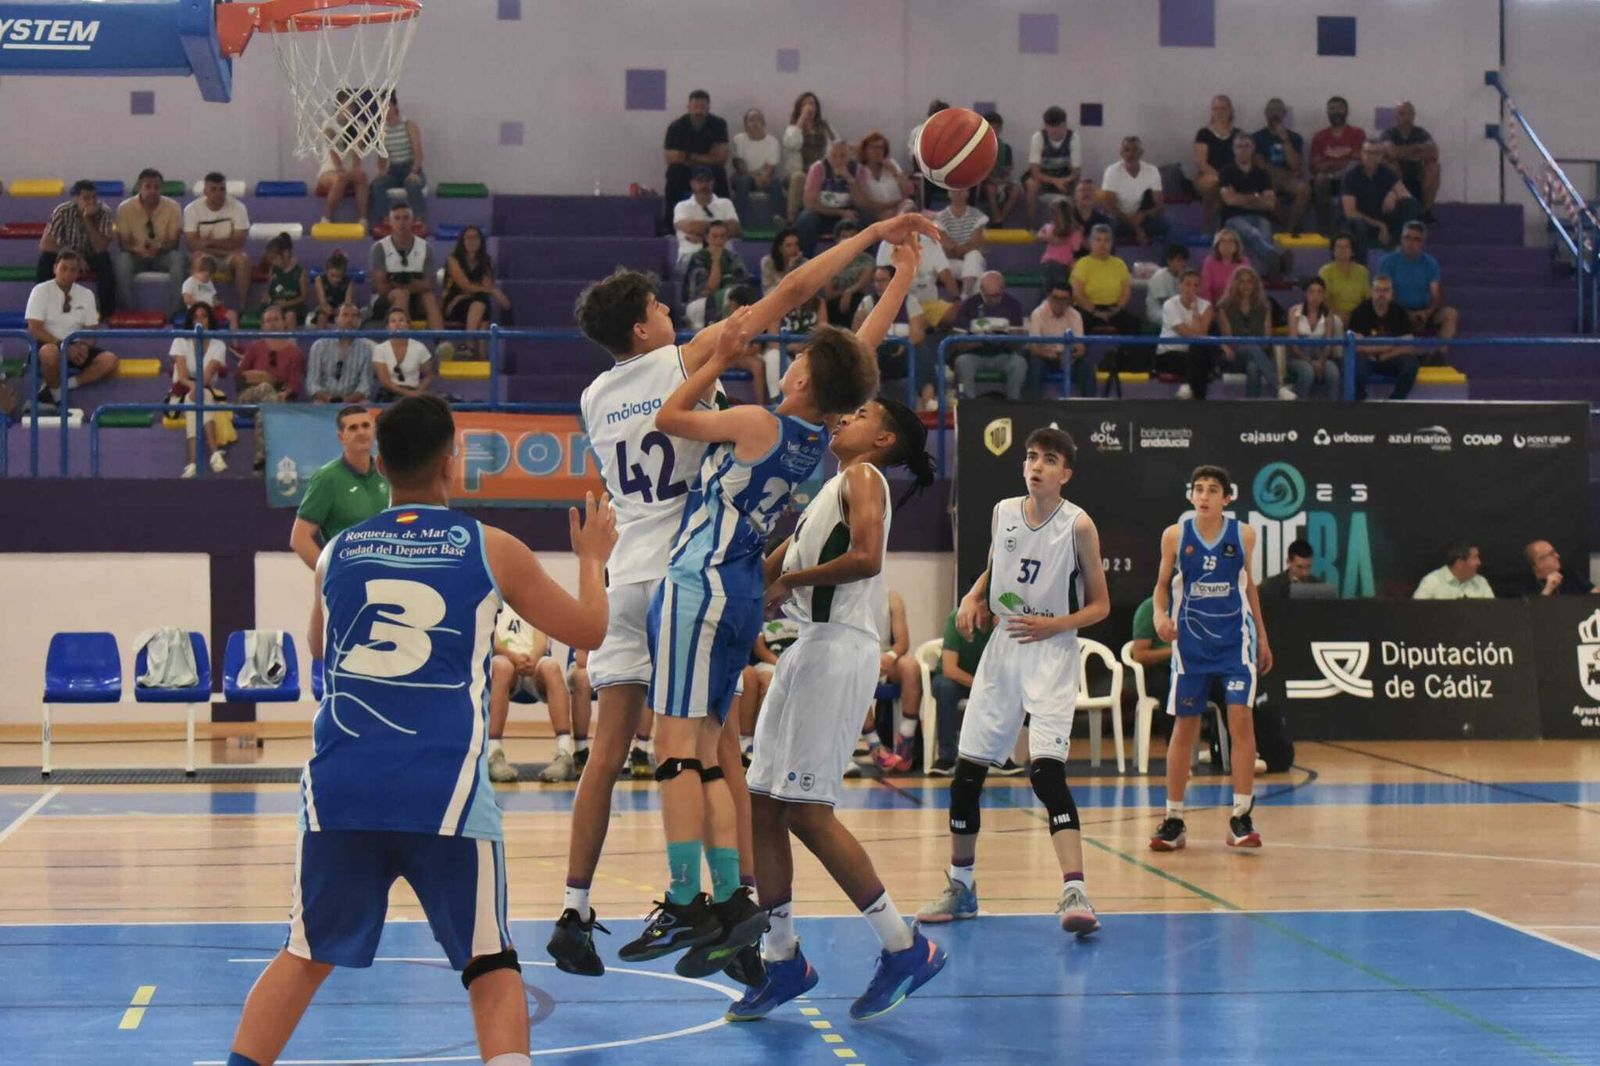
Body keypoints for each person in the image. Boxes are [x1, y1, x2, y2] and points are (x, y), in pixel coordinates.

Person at [545, 211, 939, 980]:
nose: (671, 311)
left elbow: (836, 369)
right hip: (696, 574)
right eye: (658, 307)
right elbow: (801, 303)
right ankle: (729, 911)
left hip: (634, 571)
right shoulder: (698, 370)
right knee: (716, 748)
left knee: (614, 752)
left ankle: (577, 907)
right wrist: (876, 247)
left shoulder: (593, 396)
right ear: (643, 327)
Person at [221, 395, 617, 1066]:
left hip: (342, 785)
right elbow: (590, 630)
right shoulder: (491, 546)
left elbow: (319, 647)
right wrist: (592, 557)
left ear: (379, 465)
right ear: (450, 463)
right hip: (444, 791)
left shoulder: (337, 550)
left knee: (304, 955)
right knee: (489, 963)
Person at [620, 277, 887, 975]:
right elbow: (856, 356)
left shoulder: (757, 424)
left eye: (799, 358)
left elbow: (669, 417)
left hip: (701, 580)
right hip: (741, 590)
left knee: (673, 745)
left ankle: (686, 900)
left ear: (802, 379)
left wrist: (719, 357)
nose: (790, 360)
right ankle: (734, 902)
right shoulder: (812, 438)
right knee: (710, 750)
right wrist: (899, 276)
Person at [730, 394, 944, 1021]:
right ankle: (781, 957)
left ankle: (905, 947)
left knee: (806, 812)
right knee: (763, 806)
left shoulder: (864, 478)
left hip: (840, 648)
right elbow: (765, 571)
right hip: (805, 650)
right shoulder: (824, 495)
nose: (846, 417)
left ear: (883, 441)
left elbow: (866, 557)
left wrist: (788, 583)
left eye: (863, 415)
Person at [916, 426, 1109, 934]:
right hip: (1003, 650)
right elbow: (995, 567)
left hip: (1051, 653)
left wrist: (1055, 624)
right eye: (1031, 456)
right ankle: (962, 887)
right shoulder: (1003, 511)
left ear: (1066, 473)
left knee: (1045, 774)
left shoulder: (1078, 526)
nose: (1036, 465)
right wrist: (973, 596)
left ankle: (1075, 892)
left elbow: (1100, 606)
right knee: (966, 776)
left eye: (1049, 459)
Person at [1150, 464, 1274, 852]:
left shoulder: (1244, 535)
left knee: (1240, 719)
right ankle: (1173, 819)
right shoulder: (1174, 535)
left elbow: (1248, 587)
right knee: (1185, 726)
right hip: (1191, 646)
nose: (1204, 496)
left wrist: (1262, 636)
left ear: (1226, 498)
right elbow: (1160, 587)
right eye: (1199, 489)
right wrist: (1159, 616)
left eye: (1212, 490)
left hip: (1235, 642)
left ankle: (1241, 816)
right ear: (1191, 496)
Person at [488, 605, 583, 784]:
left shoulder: (531, 600)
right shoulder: (493, 600)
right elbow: (493, 641)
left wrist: (532, 659)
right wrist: (514, 658)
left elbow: (541, 640)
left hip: (533, 664)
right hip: (506, 664)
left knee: (551, 666)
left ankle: (564, 754)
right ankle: (493, 754)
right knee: (501, 666)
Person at [289, 405, 387, 569]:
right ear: (341, 437)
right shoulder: (327, 478)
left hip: (389, 576)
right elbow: (299, 539)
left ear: (374, 431)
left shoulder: (387, 470)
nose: (361, 432)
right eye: (353, 428)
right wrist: (329, 575)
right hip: (351, 576)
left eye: (366, 426)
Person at [25, 250, 118, 411]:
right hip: (48, 344)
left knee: (110, 360)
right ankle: (57, 397)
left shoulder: (86, 294)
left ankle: (64, 386)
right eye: (64, 268)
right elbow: (34, 329)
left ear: (78, 272)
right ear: (55, 268)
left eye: (73, 269)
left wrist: (84, 346)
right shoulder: (40, 291)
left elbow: (91, 329)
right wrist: (64, 346)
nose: (68, 274)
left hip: (76, 345)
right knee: (49, 352)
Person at [853, 260, 932, 408]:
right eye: (876, 281)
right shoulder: (868, 301)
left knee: (922, 351)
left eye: (883, 280)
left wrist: (903, 346)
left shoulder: (910, 301)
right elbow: (857, 332)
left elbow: (917, 333)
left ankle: (925, 399)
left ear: (893, 281)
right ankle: (864, 402)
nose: (878, 285)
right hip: (876, 350)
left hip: (903, 350)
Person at [1069, 225, 1139, 389]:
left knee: (1135, 326)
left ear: (1111, 243)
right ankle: (1079, 368)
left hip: (1114, 308)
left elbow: (1126, 291)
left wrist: (1118, 308)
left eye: (1106, 240)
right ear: (1090, 242)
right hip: (1088, 309)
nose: (1102, 244)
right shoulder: (1083, 264)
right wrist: (1095, 311)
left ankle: (1130, 368)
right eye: (1098, 240)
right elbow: (1077, 293)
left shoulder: (1119, 264)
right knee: (1079, 324)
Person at [168, 301, 232, 478]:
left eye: (204, 316)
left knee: (199, 397)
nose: (200, 320)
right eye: (196, 317)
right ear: (191, 320)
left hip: (204, 390)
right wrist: (193, 387)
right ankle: (215, 453)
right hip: (180, 394)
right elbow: (182, 377)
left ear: (210, 320)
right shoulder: (180, 341)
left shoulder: (218, 345)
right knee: (197, 397)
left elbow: (207, 376)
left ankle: (192, 463)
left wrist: (196, 389)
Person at [928, 604, 993, 775]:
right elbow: (950, 669)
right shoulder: (958, 618)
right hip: (956, 680)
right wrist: (980, 685)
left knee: (1005, 688)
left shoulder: (1002, 623)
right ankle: (947, 757)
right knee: (945, 688)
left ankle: (997, 756)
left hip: (985, 680)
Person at [38, 179, 118, 318]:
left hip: (92, 255)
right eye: (86, 198)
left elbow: (101, 247)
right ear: (76, 199)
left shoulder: (104, 212)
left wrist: (88, 219)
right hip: (67, 253)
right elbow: (46, 244)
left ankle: (107, 314)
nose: (91, 202)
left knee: (104, 261)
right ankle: (41, 309)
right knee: (46, 258)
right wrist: (75, 257)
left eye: (94, 197)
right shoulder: (62, 211)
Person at [238, 305, 305, 471]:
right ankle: (277, 454)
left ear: (284, 323)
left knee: (264, 413)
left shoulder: (295, 352)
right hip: (249, 397)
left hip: (278, 401)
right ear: (263, 325)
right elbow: (240, 376)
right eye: (268, 320)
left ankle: (261, 461)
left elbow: (294, 384)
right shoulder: (254, 347)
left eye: (276, 319)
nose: (273, 323)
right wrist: (266, 379)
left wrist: (285, 393)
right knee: (266, 388)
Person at [1217, 266, 1300, 400]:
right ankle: (1280, 388)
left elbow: (1266, 340)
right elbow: (1230, 342)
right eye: (1242, 281)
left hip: (1259, 353)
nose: (1246, 285)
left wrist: (1254, 347)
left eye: (1249, 282)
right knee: (1252, 348)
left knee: (1253, 366)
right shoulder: (1224, 307)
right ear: (1235, 284)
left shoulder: (1264, 306)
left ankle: (1252, 407)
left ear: (1255, 284)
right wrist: (1250, 345)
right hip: (1234, 356)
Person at [874, 202, 960, 328]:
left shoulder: (932, 244)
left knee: (954, 314)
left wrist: (956, 299)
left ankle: (921, 326)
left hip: (927, 304)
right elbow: (881, 276)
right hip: (899, 305)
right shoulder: (886, 244)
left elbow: (945, 275)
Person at [1378, 222, 1457, 356]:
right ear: (1401, 239)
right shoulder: (1388, 262)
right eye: (1407, 238)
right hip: (1397, 310)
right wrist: (1407, 313)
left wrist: (1427, 313)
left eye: (1416, 239)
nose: (1411, 242)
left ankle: (1440, 356)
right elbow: (1386, 292)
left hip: (1424, 312)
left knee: (1450, 314)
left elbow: (1436, 295)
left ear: (1422, 243)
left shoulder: (1430, 263)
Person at [870, 589, 926, 774]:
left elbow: (902, 642)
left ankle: (906, 739)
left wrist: (888, 657)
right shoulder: (845, 594)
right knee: (852, 671)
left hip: (885, 658)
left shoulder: (892, 598)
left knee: (911, 666)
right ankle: (874, 743)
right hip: (857, 656)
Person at [114, 167, 183, 313]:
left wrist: (159, 247)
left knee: (177, 259)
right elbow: (123, 243)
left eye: (156, 187)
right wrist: (136, 249)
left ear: (162, 188)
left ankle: (175, 311)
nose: (152, 191)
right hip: (136, 256)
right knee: (122, 261)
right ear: (139, 187)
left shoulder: (173, 207)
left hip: (162, 256)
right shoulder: (125, 208)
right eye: (148, 187)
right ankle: (128, 311)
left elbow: (174, 242)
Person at [1219, 133, 1288, 278]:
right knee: (1253, 233)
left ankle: (1273, 268)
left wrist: (1240, 198)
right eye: (1239, 146)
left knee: (1263, 234)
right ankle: (1276, 257)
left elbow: (1270, 204)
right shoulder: (1226, 171)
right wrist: (1256, 197)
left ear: (1253, 148)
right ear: (1233, 150)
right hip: (1233, 218)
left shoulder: (1262, 174)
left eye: (1247, 146)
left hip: (1260, 216)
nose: (1243, 150)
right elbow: (1229, 201)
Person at [951, 271, 1027, 400]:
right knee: (962, 362)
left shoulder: (1013, 305)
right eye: (988, 296)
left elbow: (1017, 340)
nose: (993, 299)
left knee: (1019, 363)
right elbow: (958, 342)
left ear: (1003, 289)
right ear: (981, 290)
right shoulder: (968, 305)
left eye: (996, 295)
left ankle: (1013, 404)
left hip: (1004, 355)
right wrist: (981, 341)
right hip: (975, 355)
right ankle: (970, 405)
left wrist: (1002, 340)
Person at [369, 204, 444, 335]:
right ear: (390, 222)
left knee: (429, 297)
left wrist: (403, 283)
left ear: (412, 221)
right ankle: (402, 338)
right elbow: (381, 288)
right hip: (386, 300)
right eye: (397, 218)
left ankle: (441, 340)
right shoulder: (380, 248)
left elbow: (429, 284)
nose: (402, 223)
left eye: (405, 218)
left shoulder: (425, 248)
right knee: (401, 294)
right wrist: (409, 285)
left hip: (417, 298)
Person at [1340, 141, 1421, 260]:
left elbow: (1407, 197)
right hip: (1363, 223)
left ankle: (1398, 247)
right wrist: (1380, 225)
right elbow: (1350, 212)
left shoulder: (1387, 172)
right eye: (1368, 152)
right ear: (1361, 154)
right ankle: (1361, 264)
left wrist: (1394, 194)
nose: (1371, 157)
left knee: (1410, 204)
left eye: (1375, 153)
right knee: (1357, 223)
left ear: (1381, 156)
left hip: (1383, 217)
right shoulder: (1351, 175)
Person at [184, 172, 252, 310]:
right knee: (199, 260)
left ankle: (243, 308)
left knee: (242, 260)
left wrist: (209, 242)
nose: (219, 193)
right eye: (213, 189)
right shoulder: (192, 210)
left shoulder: (238, 207)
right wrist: (223, 244)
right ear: (205, 191)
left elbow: (239, 243)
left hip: (229, 256)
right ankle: (199, 308)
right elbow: (192, 245)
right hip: (207, 254)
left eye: (222, 189)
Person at [664, 89, 731, 226]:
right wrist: (707, 156)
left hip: (709, 170)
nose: (699, 111)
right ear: (688, 107)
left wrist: (689, 156)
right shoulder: (677, 126)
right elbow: (670, 158)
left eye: (703, 107)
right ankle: (669, 225)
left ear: (708, 108)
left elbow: (721, 159)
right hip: (685, 171)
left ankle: (726, 223)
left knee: (719, 172)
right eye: (695, 107)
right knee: (674, 172)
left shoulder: (719, 124)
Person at [1348, 276, 1418, 401]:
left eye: (1386, 290)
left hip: (1391, 357)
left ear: (1392, 293)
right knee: (1355, 366)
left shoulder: (1400, 312)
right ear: (1371, 291)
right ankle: (1360, 403)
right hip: (1367, 357)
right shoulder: (1359, 312)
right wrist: (1393, 344)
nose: (1381, 294)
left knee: (1411, 364)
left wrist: (1382, 355)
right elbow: (1354, 346)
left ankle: (1395, 402)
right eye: (1378, 290)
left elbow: (1410, 346)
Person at [443, 225, 511, 352]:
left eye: (475, 238)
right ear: (462, 241)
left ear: (481, 241)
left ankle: (471, 347)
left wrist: (465, 295)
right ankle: (479, 351)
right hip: (453, 305)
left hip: (473, 303)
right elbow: (465, 285)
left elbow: (484, 288)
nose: (472, 241)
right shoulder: (453, 259)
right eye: (468, 238)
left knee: (482, 302)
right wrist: (494, 292)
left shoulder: (486, 261)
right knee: (483, 304)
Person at [368, 92, 428, 228]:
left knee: (411, 185)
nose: (385, 110)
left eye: (387, 106)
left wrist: (414, 171)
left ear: (395, 106)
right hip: (394, 169)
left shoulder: (409, 125)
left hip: (411, 167)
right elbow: (382, 155)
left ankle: (418, 219)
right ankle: (385, 219)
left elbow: (418, 152)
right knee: (377, 185)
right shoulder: (381, 130)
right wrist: (381, 171)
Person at [1310, 96, 1366, 236]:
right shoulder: (1319, 136)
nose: (1335, 112)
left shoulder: (1357, 133)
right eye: (1332, 109)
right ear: (1327, 112)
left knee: (1354, 168)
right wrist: (1343, 161)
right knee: (1320, 179)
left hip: (1351, 178)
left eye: (1339, 108)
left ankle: (1352, 230)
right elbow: (1315, 166)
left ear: (1346, 111)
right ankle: (1324, 231)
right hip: (1329, 180)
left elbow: (1358, 160)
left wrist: (1330, 163)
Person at [1252, 98, 1310, 235]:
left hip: (1288, 180)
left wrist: (1285, 139)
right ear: (1265, 113)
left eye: (1278, 110)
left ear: (1284, 113)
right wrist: (1285, 174)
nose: (1274, 113)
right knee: (1267, 190)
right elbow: (1260, 165)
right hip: (1267, 179)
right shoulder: (1257, 137)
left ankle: (1287, 231)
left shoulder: (1295, 138)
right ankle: (1289, 228)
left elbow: (1295, 166)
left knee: (1304, 189)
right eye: (1271, 110)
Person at [1098, 135, 1169, 245]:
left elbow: (1159, 204)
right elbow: (1108, 205)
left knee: (1166, 226)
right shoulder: (1111, 171)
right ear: (1121, 153)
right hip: (1120, 218)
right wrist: (1136, 227)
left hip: (1144, 217)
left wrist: (1143, 215)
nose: (1131, 154)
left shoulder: (1152, 171)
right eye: (1127, 150)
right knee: (1107, 230)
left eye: (1135, 150)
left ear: (1141, 152)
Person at [795, 139, 861, 256]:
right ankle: (805, 259)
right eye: (834, 156)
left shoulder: (857, 169)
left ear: (849, 156)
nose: (838, 160)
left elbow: (861, 202)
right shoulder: (818, 168)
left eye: (842, 156)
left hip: (846, 213)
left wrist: (849, 179)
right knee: (806, 219)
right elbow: (809, 203)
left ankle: (854, 260)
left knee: (860, 220)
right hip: (821, 213)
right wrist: (839, 212)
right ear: (828, 155)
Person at [682, 220, 751, 329]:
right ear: (707, 238)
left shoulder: (734, 258)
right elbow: (710, 289)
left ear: (727, 238)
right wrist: (716, 261)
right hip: (700, 303)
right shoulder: (698, 258)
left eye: (722, 236)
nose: (718, 240)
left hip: (732, 301)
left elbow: (741, 288)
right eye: (714, 236)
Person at [782, 92, 839, 222]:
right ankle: (791, 220)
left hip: (821, 171)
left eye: (812, 103)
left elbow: (836, 144)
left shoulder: (825, 126)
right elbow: (792, 144)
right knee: (798, 177)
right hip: (799, 172)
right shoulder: (793, 128)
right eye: (805, 104)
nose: (809, 107)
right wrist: (802, 118)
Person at [318, 88, 372, 226]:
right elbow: (333, 152)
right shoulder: (328, 124)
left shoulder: (359, 126)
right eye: (347, 106)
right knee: (340, 178)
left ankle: (363, 218)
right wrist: (340, 170)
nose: (350, 110)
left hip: (348, 172)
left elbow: (357, 154)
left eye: (352, 107)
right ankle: (326, 217)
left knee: (362, 177)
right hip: (330, 171)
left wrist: (356, 170)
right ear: (339, 106)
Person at [1027, 280, 1089, 398]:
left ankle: (1091, 405)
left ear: (1070, 301)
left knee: (1086, 366)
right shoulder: (1038, 314)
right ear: (1049, 297)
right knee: (1036, 364)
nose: (1059, 302)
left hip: (1068, 356)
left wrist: (1069, 356)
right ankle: (1033, 405)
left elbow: (1080, 348)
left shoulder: (1075, 316)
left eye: (1063, 299)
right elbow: (1033, 347)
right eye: (1055, 298)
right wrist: (1053, 355)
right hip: (1045, 356)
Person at [1161, 269, 1216, 401]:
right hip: (1170, 353)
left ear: (1200, 288)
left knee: (1198, 352)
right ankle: (1196, 397)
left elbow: (1202, 334)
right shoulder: (1169, 305)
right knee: (1199, 361)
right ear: (1180, 285)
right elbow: (1184, 332)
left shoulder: (1206, 306)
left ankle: (1188, 390)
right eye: (1187, 284)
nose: (1191, 288)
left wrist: (1195, 310)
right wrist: (1200, 334)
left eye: (1196, 285)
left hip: (1195, 352)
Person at [305, 302, 376, 403]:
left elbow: (365, 385)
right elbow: (312, 383)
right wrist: (328, 399)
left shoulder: (366, 348)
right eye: (345, 315)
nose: (350, 319)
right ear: (336, 319)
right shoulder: (319, 346)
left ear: (359, 321)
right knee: (317, 403)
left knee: (365, 403)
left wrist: (346, 400)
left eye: (354, 316)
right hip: (324, 399)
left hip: (353, 400)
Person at [673, 166, 743, 267]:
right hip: (690, 257)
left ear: (712, 183)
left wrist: (702, 238)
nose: (704, 185)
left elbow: (736, 228)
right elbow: (689, 227)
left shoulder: (726, 204)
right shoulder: (682, 206)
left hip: (723, 256)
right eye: (700, 181)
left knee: (738, 266)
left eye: (707, 181)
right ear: (692, 184)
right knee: (700, 263)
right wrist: (722, 232)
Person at [1381, 102, 1441, 220]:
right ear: (1395, 116)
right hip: (1398, 173)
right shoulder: (1388, 134)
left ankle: (1426, 212)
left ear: (1414, 116)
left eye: (1409, 114)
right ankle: (1399, 210)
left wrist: (1401, 152)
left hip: (1418, 172)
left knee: (1434, 168)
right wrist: (1417, 148)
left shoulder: (1421, 133)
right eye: (1402, 114)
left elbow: (1433, 153)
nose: (1406, 118)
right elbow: (1392, 153)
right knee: (1391, 167)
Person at [1024, 105, 1081, 228]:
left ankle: (1070, 226)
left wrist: (1068, 180)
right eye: (1050, 127)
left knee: (1078, 187)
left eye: (1058, 127)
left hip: (1064, 177)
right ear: (1045, 126)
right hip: (1043, 178)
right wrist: (1055, 181)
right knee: (1031, 185)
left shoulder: (1074, 138)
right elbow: (1035, 172)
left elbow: (1076, 171)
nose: (1054, 131)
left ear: (1065, 125)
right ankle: (1031, 226)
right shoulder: (1038, 137)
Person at [1288, 277, 1343, 399]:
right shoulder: (1295, 312)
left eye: (1319, 292)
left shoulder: (1328, 314)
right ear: (1306, 293)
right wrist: (1311, 362)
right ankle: (1299, 406)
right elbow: (1293, 345)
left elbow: (1328, 344)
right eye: (1311, 291)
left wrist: (1321, 361)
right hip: (1299, 356)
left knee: (1333, 373)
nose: (1315, 296)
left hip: (1320, 355)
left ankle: (1333, 408)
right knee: (1308, 372)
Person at [1192, 95, 1240, 228]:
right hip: (1208, 175)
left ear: (1230, 110)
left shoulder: (1239, 134)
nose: (1219, 112)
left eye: (1223, 108)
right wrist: (1222, 178)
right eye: (1216, 108)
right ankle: (1207, 226)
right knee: (1216, 185)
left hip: (1233, 177)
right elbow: (1201, 163)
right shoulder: (1203, 133)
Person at [934, 186, 990, 296]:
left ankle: (964, 296)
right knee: (975, 266)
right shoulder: (939, 218)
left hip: (970, 261)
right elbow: (946, 247)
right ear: (949, 194)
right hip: (949, 264)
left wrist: (957, 249)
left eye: (961, 190)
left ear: (967, 193)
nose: (958, 193)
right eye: (954, 190)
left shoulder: (978, 216)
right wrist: (968, 248)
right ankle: (968, 300)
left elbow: (975, 244)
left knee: (974, 257)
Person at [822, 219, 876, 327]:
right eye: (844, 236)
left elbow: (863, 285)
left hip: (858, 300)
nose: (849, 240)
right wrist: (845, 293)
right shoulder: (828, 260)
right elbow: (828, 293)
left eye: (852, 236)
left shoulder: (867, 260)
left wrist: (850, 292)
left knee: (858, 301)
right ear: (837, 239)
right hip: (834, 303)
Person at [372, 306, 434, 399]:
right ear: (388, 327)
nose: (397, 324)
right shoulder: (380, 349)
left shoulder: (420, 347)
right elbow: (385, 381)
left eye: (401, 320)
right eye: (393, 321)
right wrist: (407, 394)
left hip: (413, 392)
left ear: (408, 325)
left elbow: (429, 376)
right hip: (390, 393)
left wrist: (417, 392)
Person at [1128, 595, 1173, 723]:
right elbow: (1139, 655)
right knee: (1171, 687)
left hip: (1195, 666)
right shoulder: (1148, 609)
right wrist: (1175, 651)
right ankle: (1172, 735)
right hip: (1161, 668)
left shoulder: (1198, 605)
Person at [855, 130, 914, 222]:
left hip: (899, 209)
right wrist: (893, 204)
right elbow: (866, 204)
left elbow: (908, 191)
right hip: (877, 212)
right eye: (872, 147)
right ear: (865, 150)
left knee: (909, 205)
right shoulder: (860, 171)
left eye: (880, 148)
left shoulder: (891, 164)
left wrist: (894, 172)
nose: (877, 151)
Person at [731, 108, 781, 209]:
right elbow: (740, 167)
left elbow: (770, 167)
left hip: (765, 176)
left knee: (775, 182)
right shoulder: (738, 140)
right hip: (744, 176)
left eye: (758, 120)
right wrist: (755, 177)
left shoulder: (773, 141)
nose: (755, 123)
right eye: (751, 120)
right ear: (745, 125)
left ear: (764, 123)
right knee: (744, 181)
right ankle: (740, 216)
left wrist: (763, 176)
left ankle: (777, 215)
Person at [978, 111, 1021, 224]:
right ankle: (996, 217)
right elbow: (979, 174)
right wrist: (993, 181)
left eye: (996, 128)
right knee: (991, 189)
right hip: (986, 183)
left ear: (1000, 129)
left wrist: (1004, 181)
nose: (994, 131)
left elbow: (1008, 172)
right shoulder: (978, 148)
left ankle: (1001, 218)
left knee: (1016, 189)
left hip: (1001, 181)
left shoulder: (1006, 149)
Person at [1317, 232, 1370, 321]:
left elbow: (1368, 298)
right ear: (1333, 251)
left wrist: (1357, 316)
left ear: (1352, 252)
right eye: (1338, 247)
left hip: (1359, 315)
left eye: (1346, 247)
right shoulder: (1325, 271)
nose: (1342, 250)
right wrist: (1341, 316)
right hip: (1333, 316)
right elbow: (1324, 300)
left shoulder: (1362, 271)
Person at [1413, 542, 1494, 600]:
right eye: (1475, 558)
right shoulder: (1431, 581)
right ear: (1460, 563)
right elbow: (1416, 613)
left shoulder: (1481, 582)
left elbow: (1492, 613)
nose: (1479, 562)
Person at [262, 233, 310, 329]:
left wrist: (285, 304)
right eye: (271, 260)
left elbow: (303, 297)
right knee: (268, 315)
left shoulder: (300, 272)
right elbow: (269, 291)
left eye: (275, 259)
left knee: (289, 315)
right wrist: (265, 303)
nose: (273, 262)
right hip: (275, 305)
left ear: (286, 253)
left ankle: (290, 338)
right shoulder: (273, 270)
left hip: (294, 307)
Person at [1037, 199, 1085, 293]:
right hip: (1060, 265)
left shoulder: (1049, 228)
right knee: (1059, 289)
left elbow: (1039, 235)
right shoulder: (1073, 231)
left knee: (1049, 288)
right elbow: (1076, 248)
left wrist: (1050, 239)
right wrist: (1079, 235)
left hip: (1052, 264)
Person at [183, 254, 240, 332]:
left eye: (210, 276)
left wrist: (216, 302)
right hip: (199, 310)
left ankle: (234, 339)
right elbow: (187, 299)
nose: (208, 279)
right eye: (206, 276)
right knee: (202, 315)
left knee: (233, 315)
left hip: (212, 309)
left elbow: (213, 297)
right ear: (196, 271)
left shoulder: (208, 282)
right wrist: (204, 304)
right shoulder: (189, 283)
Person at [1522, 540, 1596, 597]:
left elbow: (1594, 593)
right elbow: (1534, 610)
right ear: (1538, 562)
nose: (1557, 556)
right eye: (1551, 554)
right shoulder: (1527, 585)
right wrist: (1548, 589)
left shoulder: (1570, 574)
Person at [1199, 227, 1251, 306]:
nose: (1227, 245)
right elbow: (1205, 290)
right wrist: (1209, 308)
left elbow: (1248, 288)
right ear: (1217, 245)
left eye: (1231, 241)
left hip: (1239, 306)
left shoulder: (1244, 261)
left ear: (1236, 245)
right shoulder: (1210, 262)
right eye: (1223, 241)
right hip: (1215, 307)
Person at [1144, 244, 1189, 329]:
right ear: (1169, 261)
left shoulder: (1183, 277)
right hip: (1159, 313)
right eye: (1179, 260)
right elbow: (1166, 304)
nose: (1183, 264)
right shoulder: (1159, 276)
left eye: (1185, 260)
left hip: (1177, 310)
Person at [311, 250, 357, 329]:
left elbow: (347, 304)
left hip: (342, 309)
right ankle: (320, 336)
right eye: (332, 275)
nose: (335, 279)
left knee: (347, 317)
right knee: (322, 316)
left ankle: (345, 336)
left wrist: (340, 311)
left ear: (343, 274)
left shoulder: (349, 282)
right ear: (326, 271)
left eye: (339, 276)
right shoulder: (319, 280)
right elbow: (323, 302)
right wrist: (329, 310)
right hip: (325, 308)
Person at [760, 229, 807, 295]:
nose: (793, 249)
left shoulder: (804, 263)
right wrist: (789, 269)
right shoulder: (767, 262)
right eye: (788, 245)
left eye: (796, 244)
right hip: (775, 299)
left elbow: (806, 290)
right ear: (780, 248)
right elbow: (767, 291)